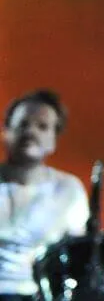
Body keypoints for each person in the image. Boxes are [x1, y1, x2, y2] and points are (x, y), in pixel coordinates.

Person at [0, 90, 88, 301]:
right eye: (23, 124)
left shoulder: (69, 189)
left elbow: (78, 254)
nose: (31, 132)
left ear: (54, 140)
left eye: (42, 127)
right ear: (5, 132)